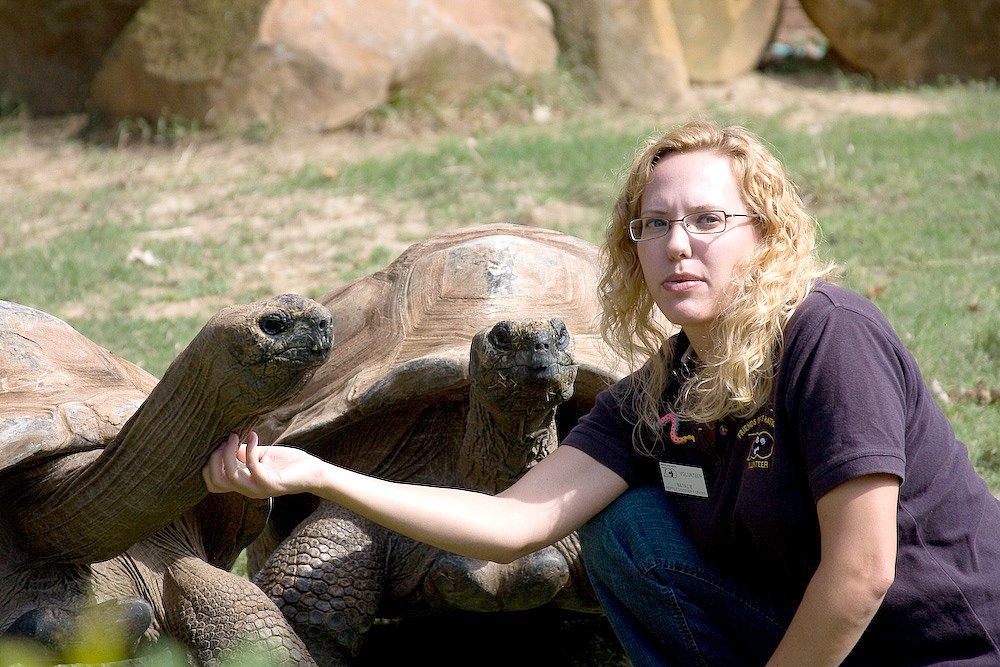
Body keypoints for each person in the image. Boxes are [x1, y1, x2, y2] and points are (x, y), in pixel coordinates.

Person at [203, 120, 1000, 665]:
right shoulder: (662, 389)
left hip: (940, 643)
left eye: (708, 220)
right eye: (653, 224)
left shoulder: (829, 335)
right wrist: (318, 474)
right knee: (626, 523)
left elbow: (862, 572)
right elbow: (515, 520)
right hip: (814, 633)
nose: (677, 245)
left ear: (766, 235)